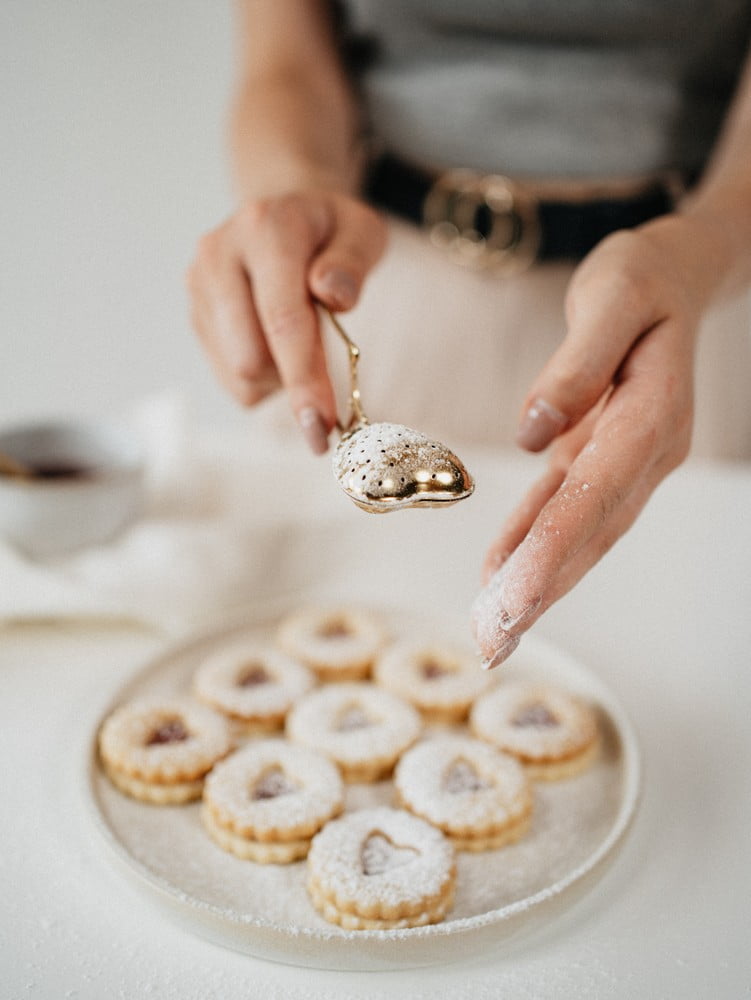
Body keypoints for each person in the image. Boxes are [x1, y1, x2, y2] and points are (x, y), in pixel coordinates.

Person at [187, 0, 751, 669]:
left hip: (677, 298)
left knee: (670, 650)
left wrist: (702, 252)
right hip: (373, 282)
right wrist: (292, 189)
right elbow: (285, 61)